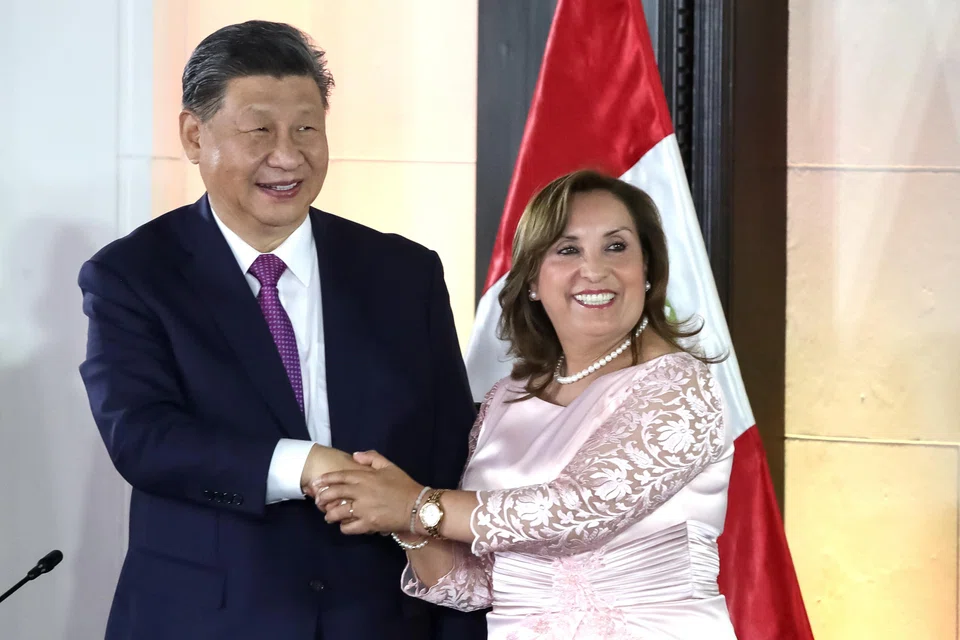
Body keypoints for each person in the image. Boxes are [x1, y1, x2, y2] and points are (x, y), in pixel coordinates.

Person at [77, 20, 486, 640]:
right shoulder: (133, 275)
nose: (288, 156)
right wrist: (304, 465)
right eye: (259, 130)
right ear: (193, 135)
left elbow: (451, 455)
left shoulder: (405, 272)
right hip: (207, 618)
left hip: (381, 615)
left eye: (306, 129)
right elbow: (143, 436)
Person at [312, 169, 739, 639]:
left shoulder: (678, 383)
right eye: (568, 249)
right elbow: (476, 585)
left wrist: (415, 505)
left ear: (649, 270)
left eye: (616, 247)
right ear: (532, 280)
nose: (594, 270)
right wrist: (404, 523)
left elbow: (578, 511)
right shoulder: (507, 399)